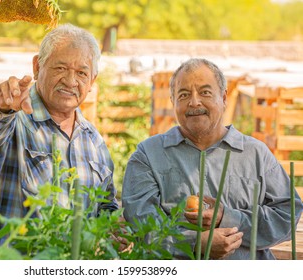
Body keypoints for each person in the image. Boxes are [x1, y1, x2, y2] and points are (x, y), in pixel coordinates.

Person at [122, 58, 303, 259]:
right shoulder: (148, 154)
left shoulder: (256, 154)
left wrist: (226, 218)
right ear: (173, 102)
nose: (194, 102)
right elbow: (140, 223)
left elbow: (288, 216)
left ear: (224, 98)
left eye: (205, 92)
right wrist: (194, 243)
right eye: (183, 95)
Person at [0, 24, 118, 243]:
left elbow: (106, 205)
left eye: (81, 73)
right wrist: (0, 106)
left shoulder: (94, 141)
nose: (70, 81)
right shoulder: (14, 119)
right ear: (37, 66)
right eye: (60, 68)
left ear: (92, 81)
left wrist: (115, 228)